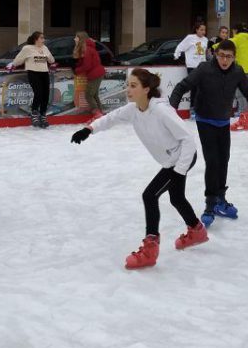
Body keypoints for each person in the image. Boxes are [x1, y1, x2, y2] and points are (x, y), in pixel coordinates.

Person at [71, 68, 207, 269]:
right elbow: (112, 117)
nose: (128, 89)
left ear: (146, 89)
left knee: (150, 195)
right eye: (128, 85)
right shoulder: (134, 109)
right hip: (171, 160)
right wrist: (89, 129)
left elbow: (188, 140)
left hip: (180, 158)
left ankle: (150, 249)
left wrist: (179, 171)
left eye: (133, 86)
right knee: (176, 198)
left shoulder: (161, 110)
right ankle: (197, 231)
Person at [168, 39, 248, 225]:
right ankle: (210, 203)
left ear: (234, 58)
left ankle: (220, 199)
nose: (224, 60)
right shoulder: (205, 69)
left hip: (223, 121)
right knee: (213, 161)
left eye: (229, 56)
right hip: (205, 120)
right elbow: (182, 87)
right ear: (216, 54)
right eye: (221, 55)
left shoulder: (237, 71)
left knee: (224, 160)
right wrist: (172, 109)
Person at [7, 31, 56, 128]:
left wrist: (53, 64)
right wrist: (12, 64)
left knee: (46, 94)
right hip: (33, 73)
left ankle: (43, 115)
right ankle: (34, 113)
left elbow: (51, 60)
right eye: (41, 38)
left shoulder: (44, 48)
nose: (43, 40)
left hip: (44, 73)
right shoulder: (27, 48)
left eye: (43, 38)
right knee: (38, 93)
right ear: (35, 39)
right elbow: (18, 59)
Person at [73, 31, 106, 119]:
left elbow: (87, 65)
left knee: (88, 94)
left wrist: (76, 70)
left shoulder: (87, 49)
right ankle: (100, 113)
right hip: (96, 73)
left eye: (76, 37)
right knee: (94, 94)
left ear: (80, 39)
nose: (74, 39)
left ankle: (97, 113)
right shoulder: (87, 48)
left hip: (95, 74)